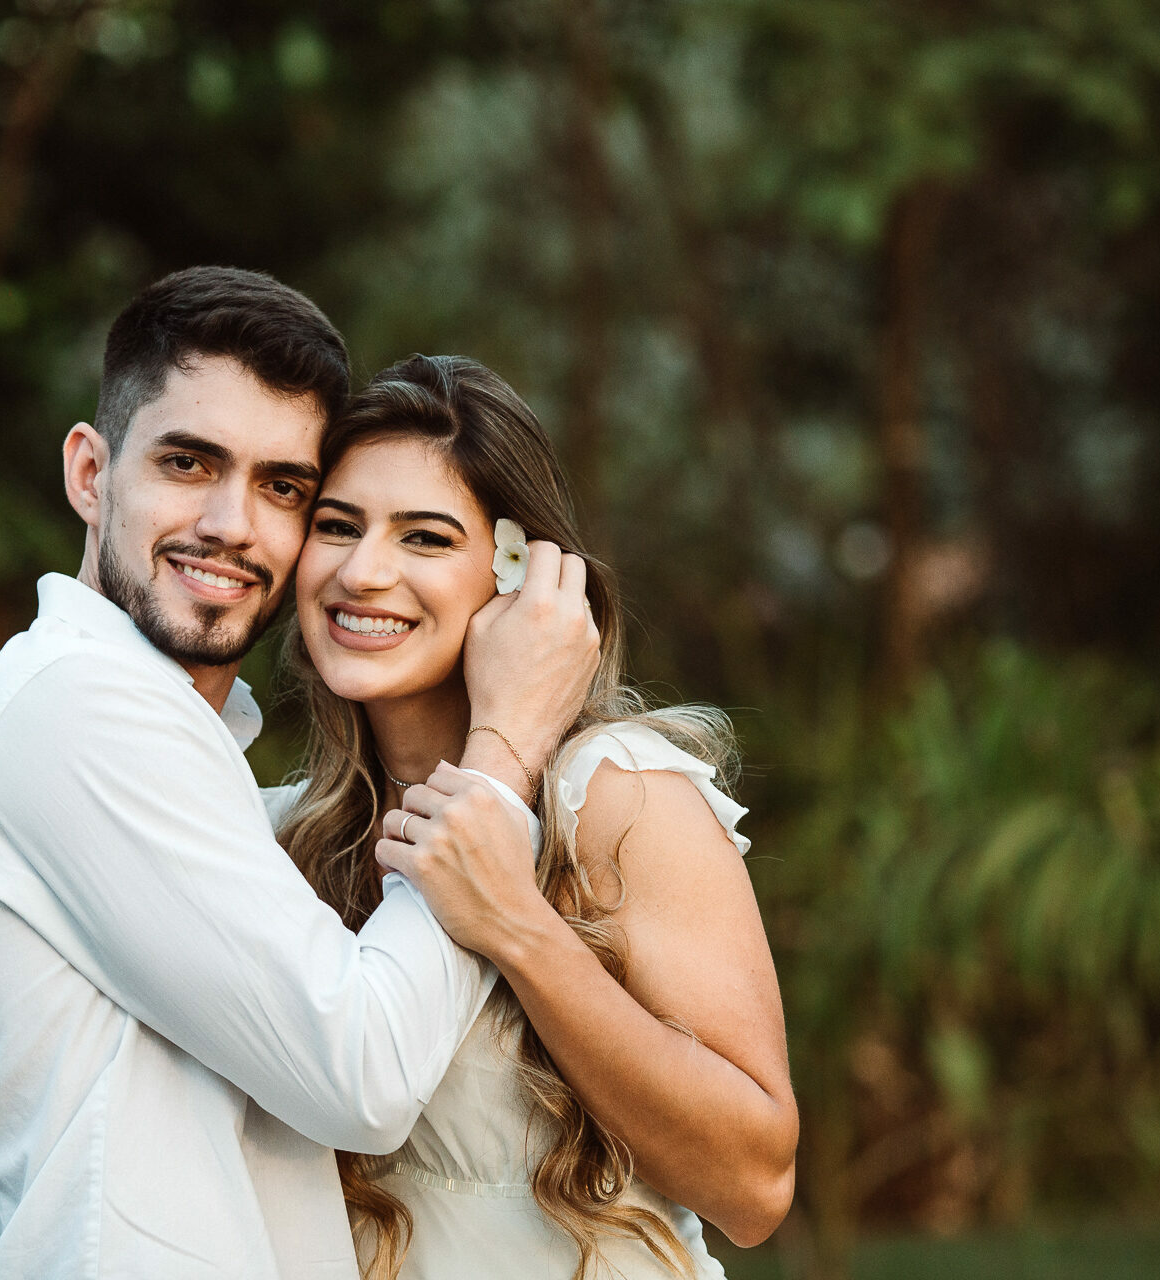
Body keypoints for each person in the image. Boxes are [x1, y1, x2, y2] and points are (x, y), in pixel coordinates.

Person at [0, 268, 601, 1279]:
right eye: (188, 462)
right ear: (90, 473)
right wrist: (508, 744)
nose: (232, 522)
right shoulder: (70, 707)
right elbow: (361, 1074)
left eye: (283, 487)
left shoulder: (195, 762)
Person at [270, 355, 798, 1279]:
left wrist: (515, 924)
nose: (363, 571)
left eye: (425, 538)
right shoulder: (289, 835)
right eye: (337, 526)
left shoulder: (615, 794)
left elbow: (755, 1187)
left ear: (523, 571)